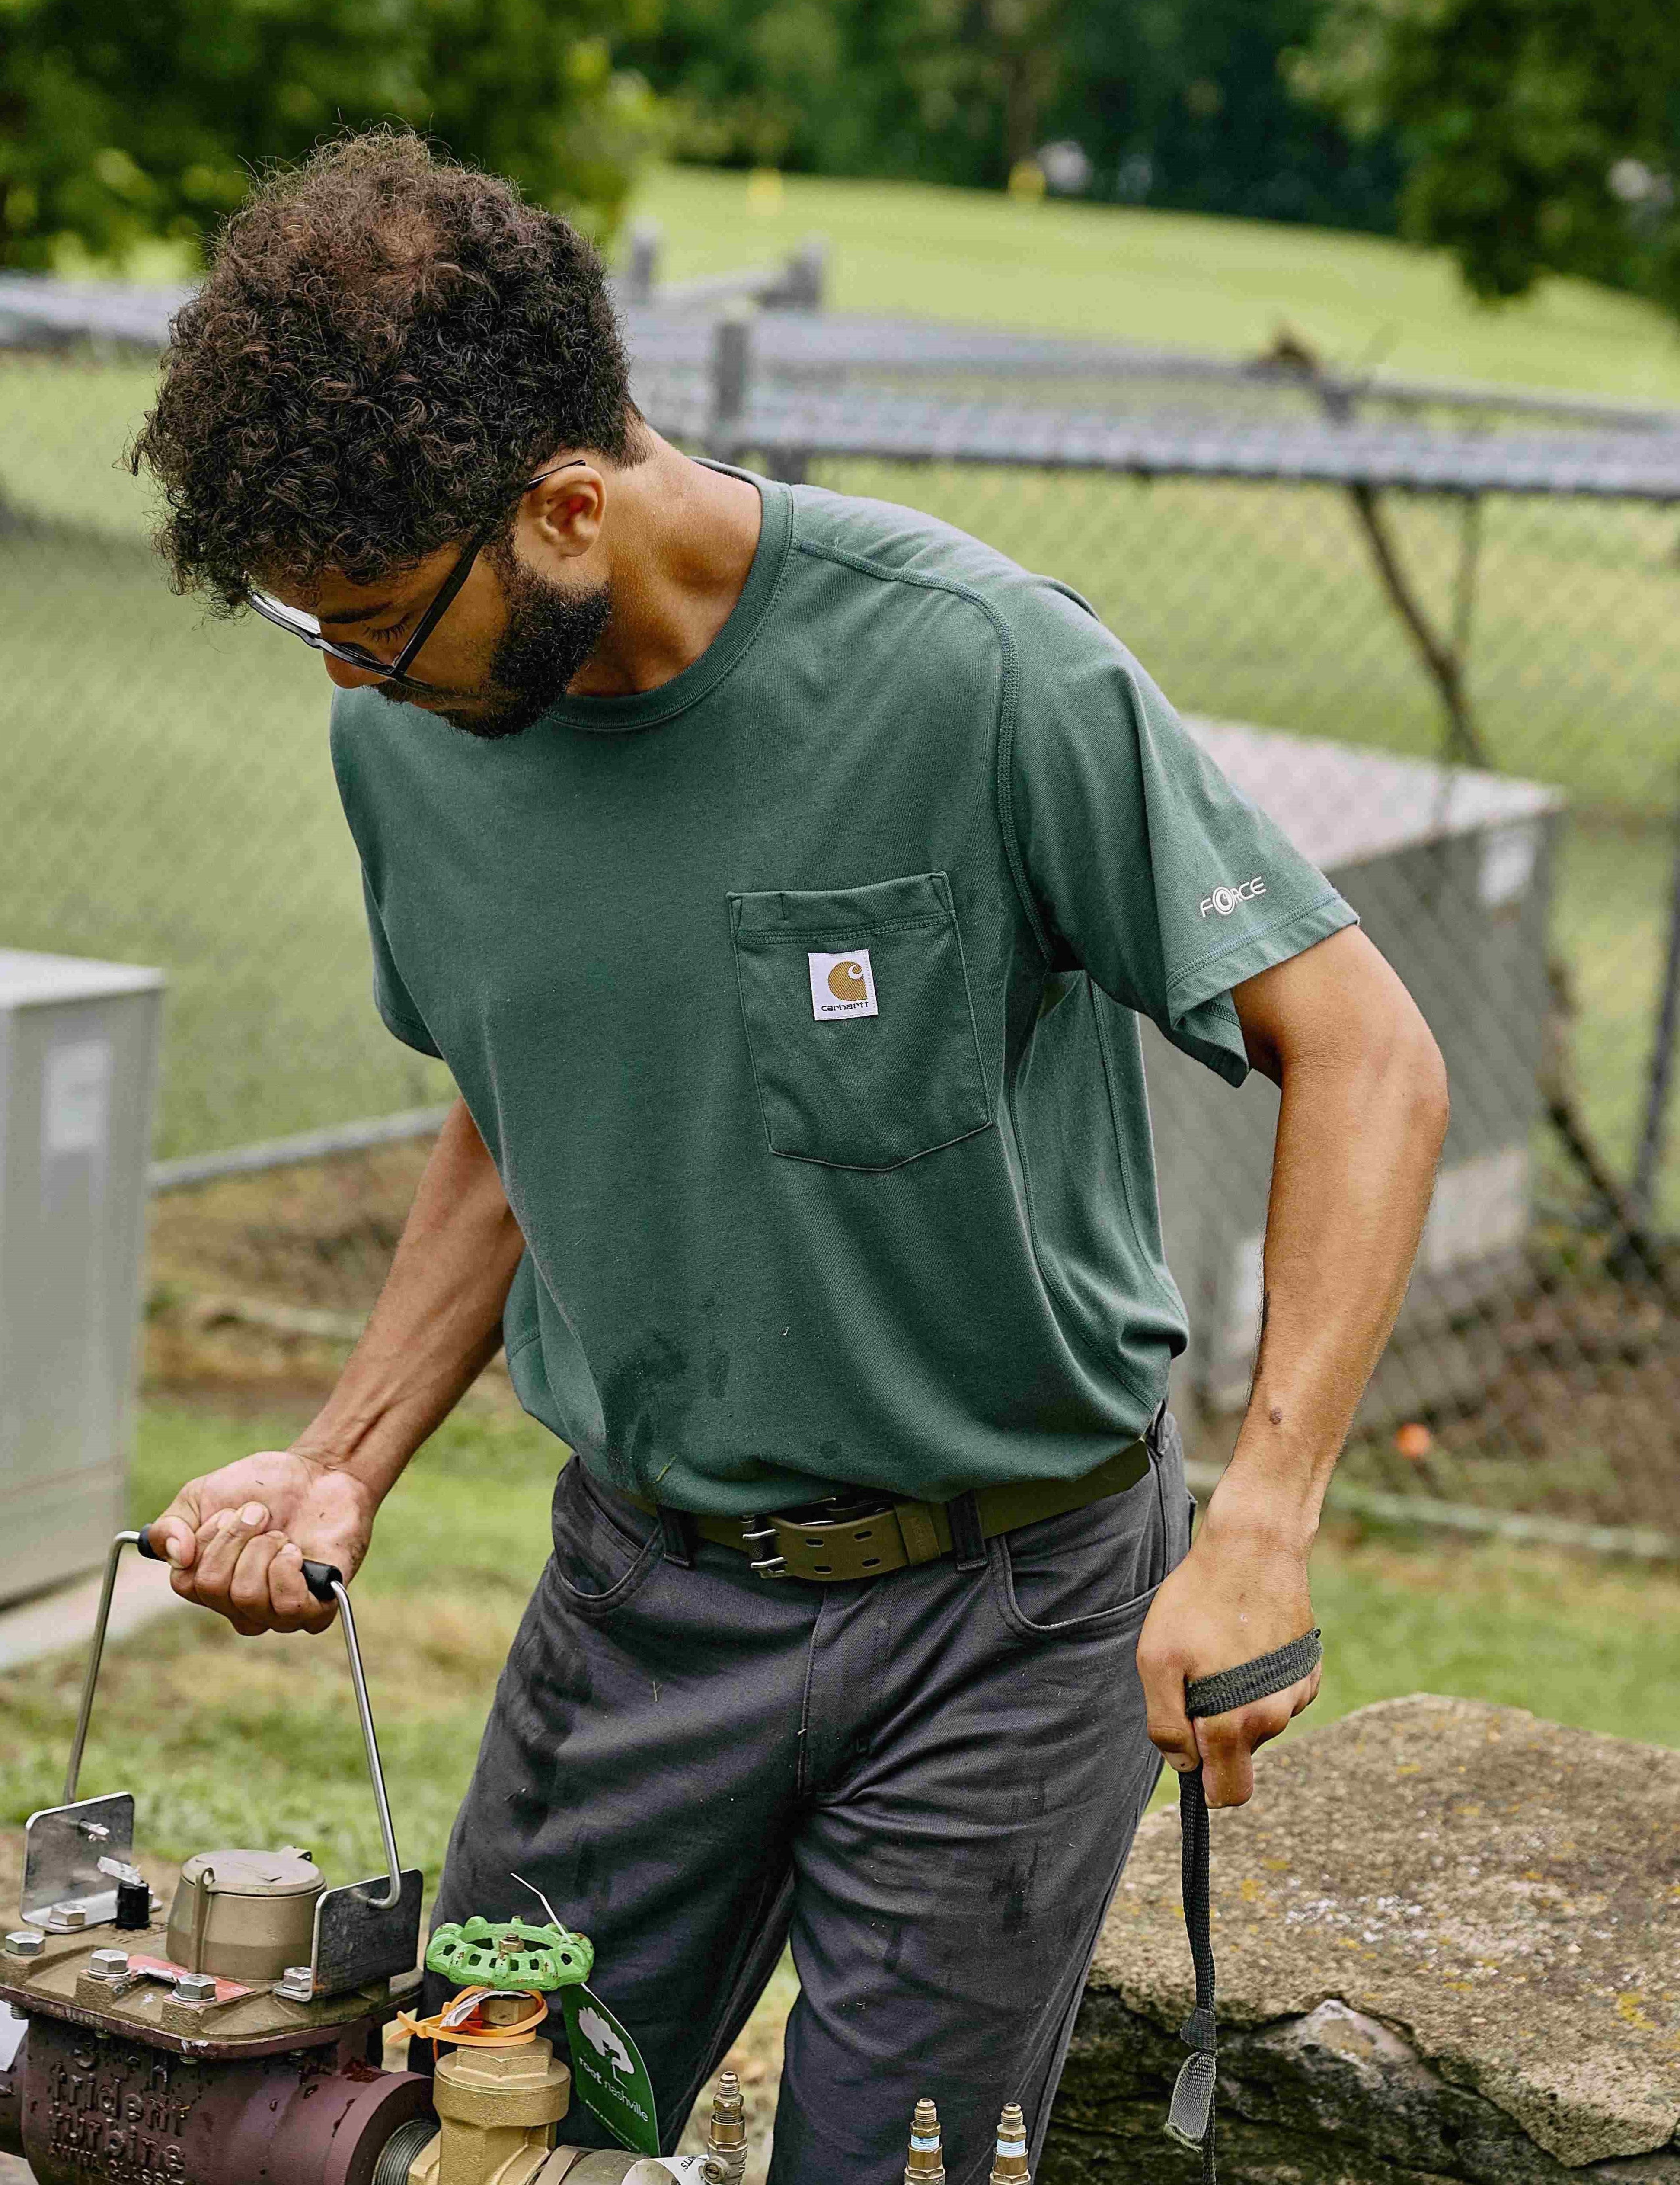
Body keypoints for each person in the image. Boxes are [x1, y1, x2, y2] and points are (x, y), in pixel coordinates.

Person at [133, 130, 1449, 2184]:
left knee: (886, 2164)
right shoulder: (410, 731)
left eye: (374, 619)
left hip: (1008, 1614)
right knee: (472, 2130)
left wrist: (1267, 1518)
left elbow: (1367, 1051)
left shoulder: (975, 666)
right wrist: (343, 1455)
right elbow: (524, 1092)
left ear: (569, 507)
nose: (346, 673)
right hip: (638, 1596)